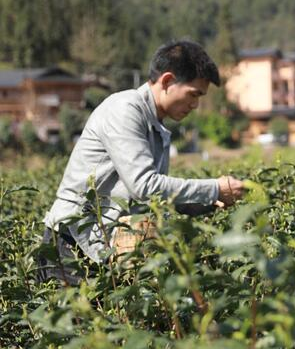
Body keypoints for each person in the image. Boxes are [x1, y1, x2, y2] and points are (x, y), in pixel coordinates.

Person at [39, 40, 244, 284]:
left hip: (102, 246)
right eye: (193, 94)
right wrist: (214, 187)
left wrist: (212, 201)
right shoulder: (125, 110)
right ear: (167, 81)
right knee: (72, 321)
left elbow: (153, 200)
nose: (195, 105)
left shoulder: (156, 127)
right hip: (71, 242)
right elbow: (144, 186)